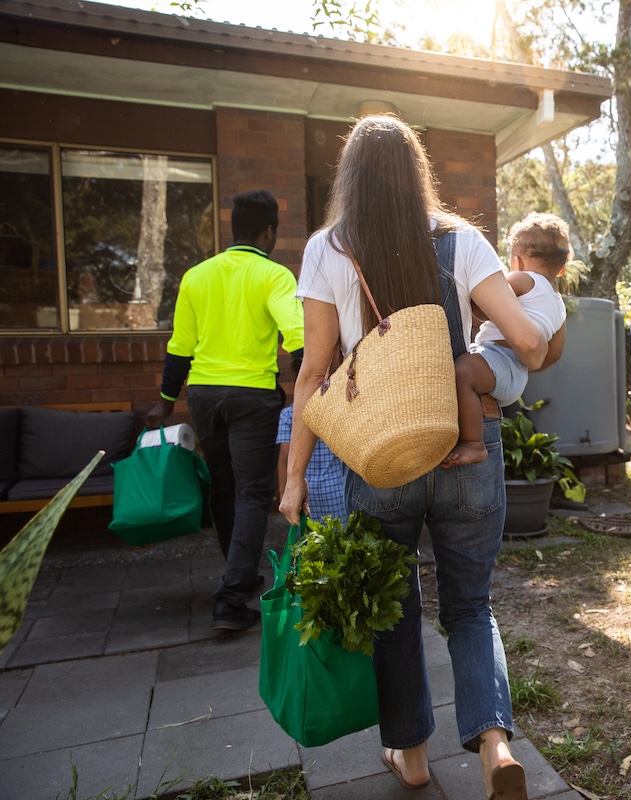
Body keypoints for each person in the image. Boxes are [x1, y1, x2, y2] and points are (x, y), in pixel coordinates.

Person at [279, 114, 546, 800]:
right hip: (470, 452)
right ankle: (493, 744)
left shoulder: (326, 248)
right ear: (418, 171)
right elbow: (527, 343)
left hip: (383, 457)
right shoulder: (464, 241)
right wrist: (525, 330)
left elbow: (312, 375)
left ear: (350, 178)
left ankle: (414, 758)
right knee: (469, 606)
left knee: (393, 608)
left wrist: (294, 478)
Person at [147, 189, 303, 633]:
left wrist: (164, 401)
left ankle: (240, 574)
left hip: (203, 397)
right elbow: (296, 337)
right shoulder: (274, 276)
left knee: (224, 490)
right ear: (269, 231)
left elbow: (180, 347)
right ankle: (232, 597)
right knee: (254, 494)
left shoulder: (197, 276)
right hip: (251, 398)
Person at [443, 212, 569, 467]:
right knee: (464, 368)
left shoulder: (523, 279)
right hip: (515, 371)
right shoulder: (559, 307)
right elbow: (553, 354)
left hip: (499, 359)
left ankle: (474, 444)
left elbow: (487, 302)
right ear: (563, 268)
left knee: (462, 372)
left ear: (517, 261)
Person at [276, 403, 347, 524]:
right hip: (336, 490)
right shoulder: (335, 411)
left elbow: (284, 454)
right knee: (341, 538)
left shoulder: (288, 415)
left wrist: (283, 492)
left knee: (306, 539)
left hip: (303, 493)